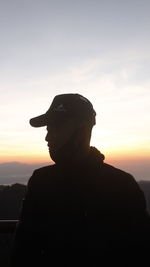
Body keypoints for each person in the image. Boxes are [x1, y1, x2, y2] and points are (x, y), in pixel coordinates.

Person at [11, 93, 150, 266]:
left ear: (82, 130)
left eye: (55, 128)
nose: (47, 137)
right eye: (48, 129)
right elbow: (24, 250)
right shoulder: (40, 181)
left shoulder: (122, 186)